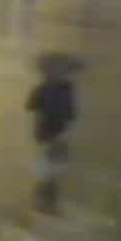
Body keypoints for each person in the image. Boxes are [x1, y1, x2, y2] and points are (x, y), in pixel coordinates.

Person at [25, 67, 79, 216]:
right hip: (53, 133)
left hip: (51, 133)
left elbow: (31, 107)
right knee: (52, 170)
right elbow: (71, 114)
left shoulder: (49, 89)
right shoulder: (62, 90)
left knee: (51, 170)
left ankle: (44, 203)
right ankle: (45, 203)